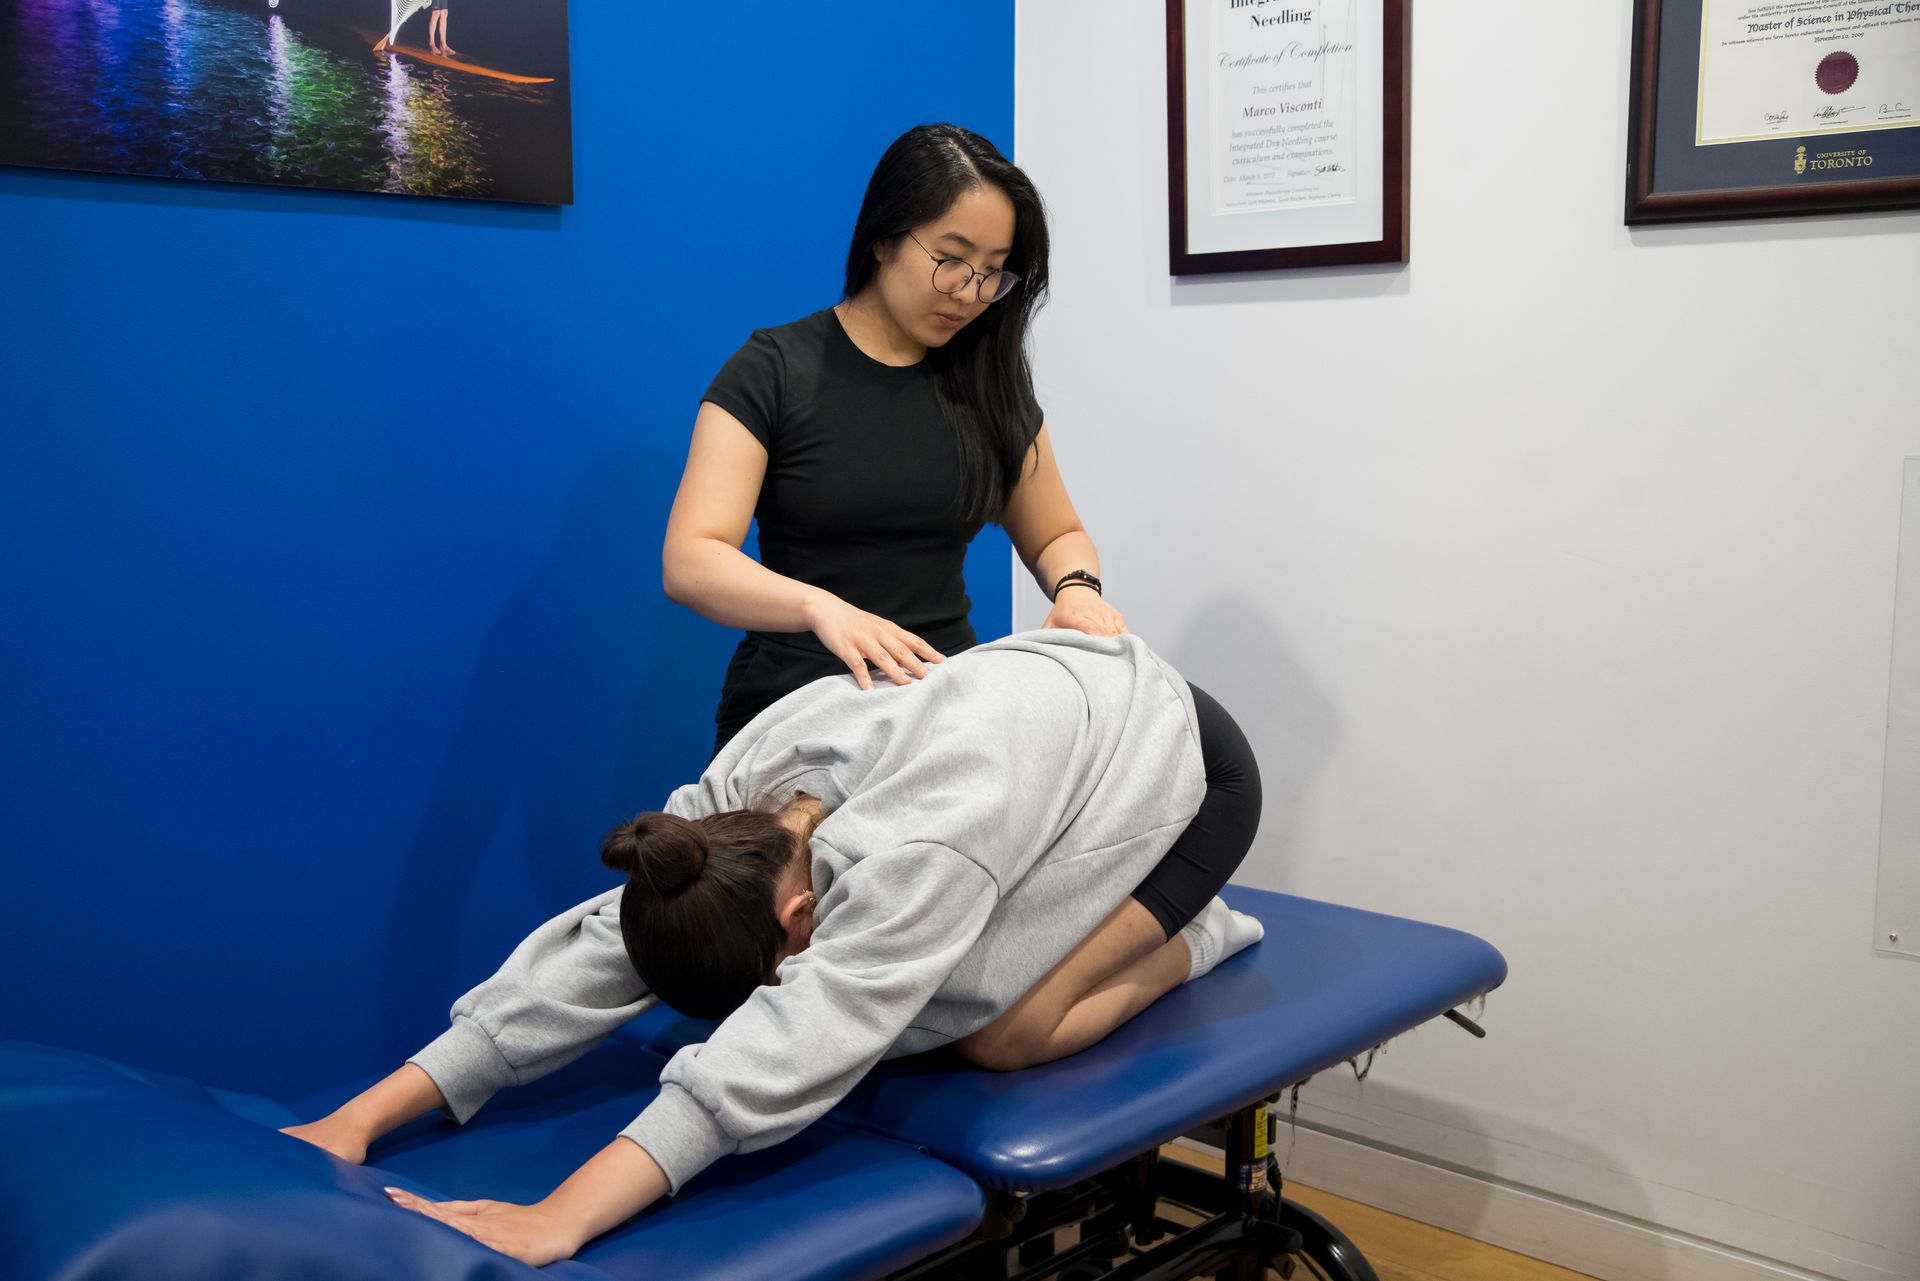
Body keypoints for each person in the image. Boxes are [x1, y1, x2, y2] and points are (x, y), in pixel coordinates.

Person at [282, 631, 1265, 1266]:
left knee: (996, 1028)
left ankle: (1200, 932)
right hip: (1040, 738)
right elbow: (604, 942)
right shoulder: (732, 806)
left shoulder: (918, 851)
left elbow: (796, 1040)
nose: (779, 987)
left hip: (1180, 766)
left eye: (772, 974)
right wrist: (360, 1120)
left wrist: (564, 1215)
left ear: (799, 922)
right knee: (919, 992)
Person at [663, 124, 1125, 758]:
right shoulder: (773, 369)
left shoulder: (988, 383)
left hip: (938, 709)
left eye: (993, 273)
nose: (970, 292)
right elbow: (692, 561)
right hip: (797, 712)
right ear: (883, 237)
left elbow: (1056, 534)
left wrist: (1076, 590)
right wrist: (821, 609)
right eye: (951, 259)